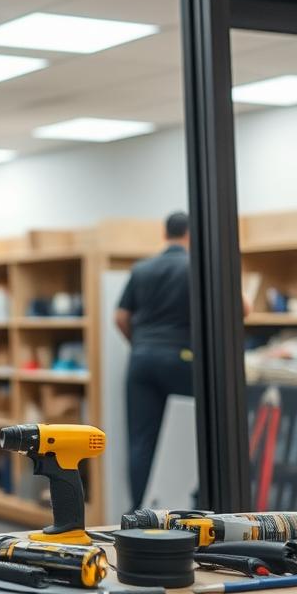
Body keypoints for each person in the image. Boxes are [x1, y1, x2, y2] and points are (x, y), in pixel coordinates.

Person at [114, 211, 192, 510]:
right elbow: (243, 307)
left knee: (141, 441)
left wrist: (140, 344)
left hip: (142, 360)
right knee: (186, 438)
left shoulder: (142, 268)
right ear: (190, 234)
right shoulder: (195, 266)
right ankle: (184, 510)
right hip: (183, 359)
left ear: (165, 233)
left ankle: (140, 514)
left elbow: (120, 317)